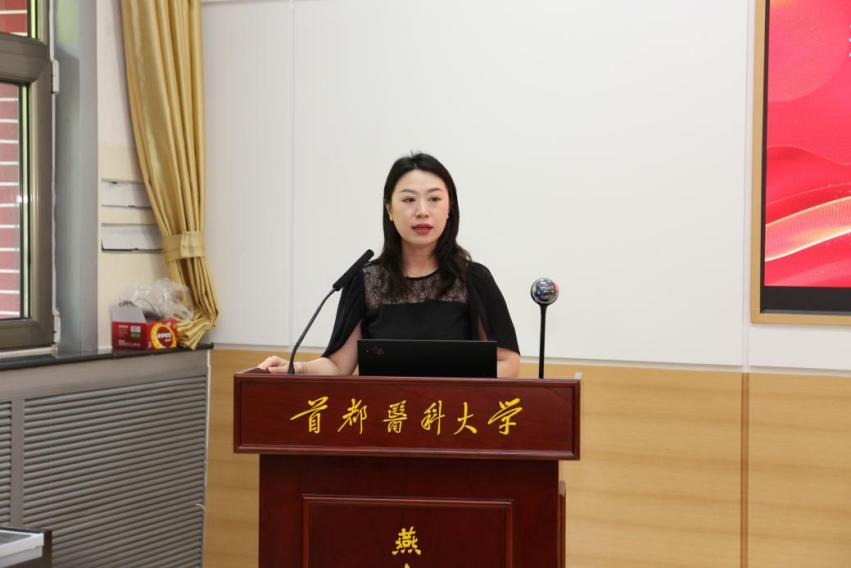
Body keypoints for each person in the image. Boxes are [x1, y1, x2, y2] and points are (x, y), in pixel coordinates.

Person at [258, 152, 521, 377]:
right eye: (408, 200)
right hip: (385, 416)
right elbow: (338, 365)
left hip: (451, 415)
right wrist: (298, 367)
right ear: (389, 209)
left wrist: (445, 383)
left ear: (449, 207)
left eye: (434, 199)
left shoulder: (473, 279)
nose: (422, 211)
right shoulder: (365, 281)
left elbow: (507, 363)